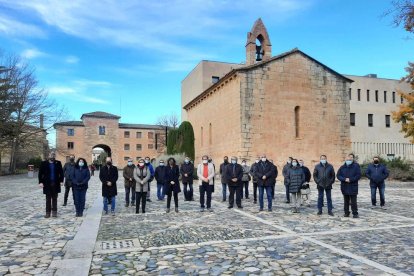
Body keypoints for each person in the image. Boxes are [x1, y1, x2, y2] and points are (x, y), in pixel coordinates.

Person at [38, 152, 64, 218]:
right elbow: (40, 173)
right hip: (47, 183)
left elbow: (61, 173)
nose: (52, 156)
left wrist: (61, 181)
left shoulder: (58, 163)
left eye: (53, 155)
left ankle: (54, 212)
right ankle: (48, 213)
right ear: (48, 156)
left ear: (54, 156)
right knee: (48, 199)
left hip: (56, 183)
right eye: (51, 155)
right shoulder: (43, 163)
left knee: (55, 198)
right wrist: (40, 182)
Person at [337, 154, 361, 218]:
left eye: (350, 160)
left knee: (353, 202)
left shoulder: (356, 167)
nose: (348, 161)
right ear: (345, 160)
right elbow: (338, 175)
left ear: (352, 160)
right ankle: (346, 213)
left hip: (353, 186)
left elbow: (358, 175)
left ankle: (355, 213)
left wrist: (351, 179)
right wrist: (344, 179)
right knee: (346, 201)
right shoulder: (342, 167)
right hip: (344, 186)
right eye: (347, 160)